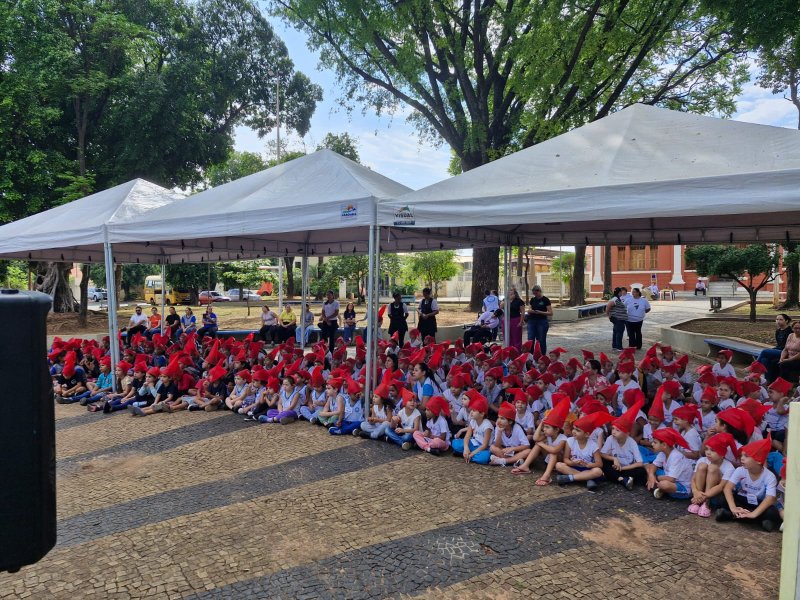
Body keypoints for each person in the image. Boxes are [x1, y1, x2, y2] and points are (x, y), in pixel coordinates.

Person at [758, 314, 792, 382]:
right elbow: (778, 345)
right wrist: (774, 349)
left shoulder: (790, 331)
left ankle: (754, 366)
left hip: (785, 352)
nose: (778, 321)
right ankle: (768, 381)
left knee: (765, 351)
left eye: (781, 319)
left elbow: (786, 347)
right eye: (777, 319)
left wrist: (773, 350)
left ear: (786, 321)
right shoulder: (778, 331)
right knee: (764, 359)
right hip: (779, 350)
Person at [525, 285, 552, 354]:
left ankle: (542, 355)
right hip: (532, 321)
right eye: (534, 294)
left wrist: (540, 312)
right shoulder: (533, 299)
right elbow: (529, 309)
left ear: (539, 291)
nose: (535, 295)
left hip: (542, 321)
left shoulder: (545, 300)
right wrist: (531, 311)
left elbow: (550, 312)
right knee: (530, 339)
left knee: (541, 339)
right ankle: (530, 356)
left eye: (536, 293)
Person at [605, 287, 628, 352]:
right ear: (619, 292)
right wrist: (608, 315)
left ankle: (615, 346)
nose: (622, 292)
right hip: (618, 318)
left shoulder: (617, 299)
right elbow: (608, 306)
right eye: (621, 291)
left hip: (618, 318)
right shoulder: (615, 299)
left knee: (616, 331)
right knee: (619, 332)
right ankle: (619, 347)